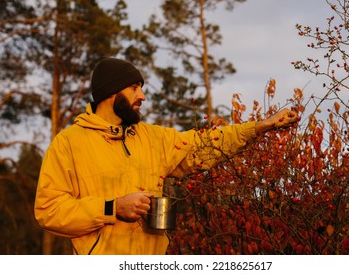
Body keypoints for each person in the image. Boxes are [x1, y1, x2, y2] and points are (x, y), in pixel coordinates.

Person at [34, 57, 300, 255]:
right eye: (134, 88)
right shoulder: (69, 143)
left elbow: (205, 144)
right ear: (111, 92)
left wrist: (259, 126)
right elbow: (49, 211)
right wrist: (112, 208)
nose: (143, 96)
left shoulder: (153, 138)